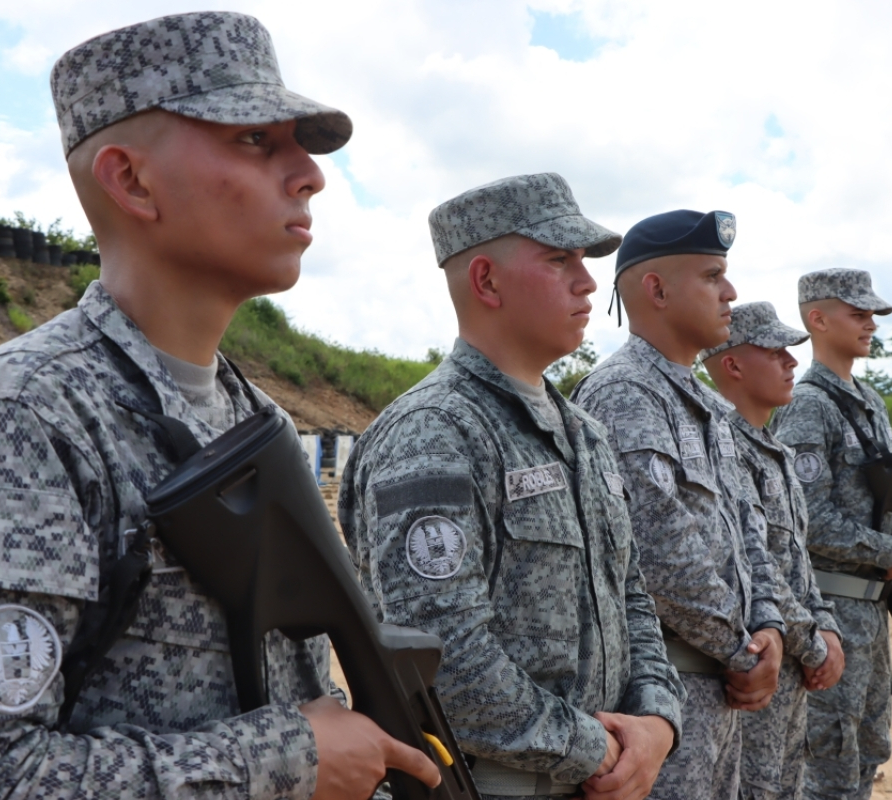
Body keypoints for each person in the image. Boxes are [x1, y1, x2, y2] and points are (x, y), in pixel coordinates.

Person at [0, 12, 439, 799]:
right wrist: (287, 761)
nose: (310, 175)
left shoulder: (250, 418)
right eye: (255, 140)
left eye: (299, 144)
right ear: (130, 180)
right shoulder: (15, 418)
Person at [339, 174, 684, 800]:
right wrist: (596, 749)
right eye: (558, 260)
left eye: (584, 260)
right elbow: (445, 659)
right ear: (486, 281)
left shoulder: (585, 434)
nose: (587, 281)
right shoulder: (434, 432)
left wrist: (657, 720)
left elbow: (630, 592)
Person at [571, 210, 787, 800]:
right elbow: (659, 554)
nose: (730, 292)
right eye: (712, 276)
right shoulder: (623, 393)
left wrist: (770, 625)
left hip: (722, 685)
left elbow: (750, 529)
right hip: (664, 694)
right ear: (657, 290)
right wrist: (745, 648)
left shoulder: (711, 407)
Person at [769, 269, 892, 800]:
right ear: (818, 319)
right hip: (830, 615)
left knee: (867, 751)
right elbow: (804, 515)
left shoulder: (869, 401)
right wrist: (886, 553)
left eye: (872, 315)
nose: (870, 325)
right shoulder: (808, 404)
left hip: (869, 613)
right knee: (826, 767)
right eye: (858, 314)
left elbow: (887, 510)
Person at [699, 301, 846, 800]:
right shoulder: (721, 448)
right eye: (774, 352)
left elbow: (796, 560)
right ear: (733, 364)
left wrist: (824, 624)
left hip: (793, 674)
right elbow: (750, 564)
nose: (791, 361)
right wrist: (814, 643)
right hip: (752, 674)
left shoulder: (776, 452)